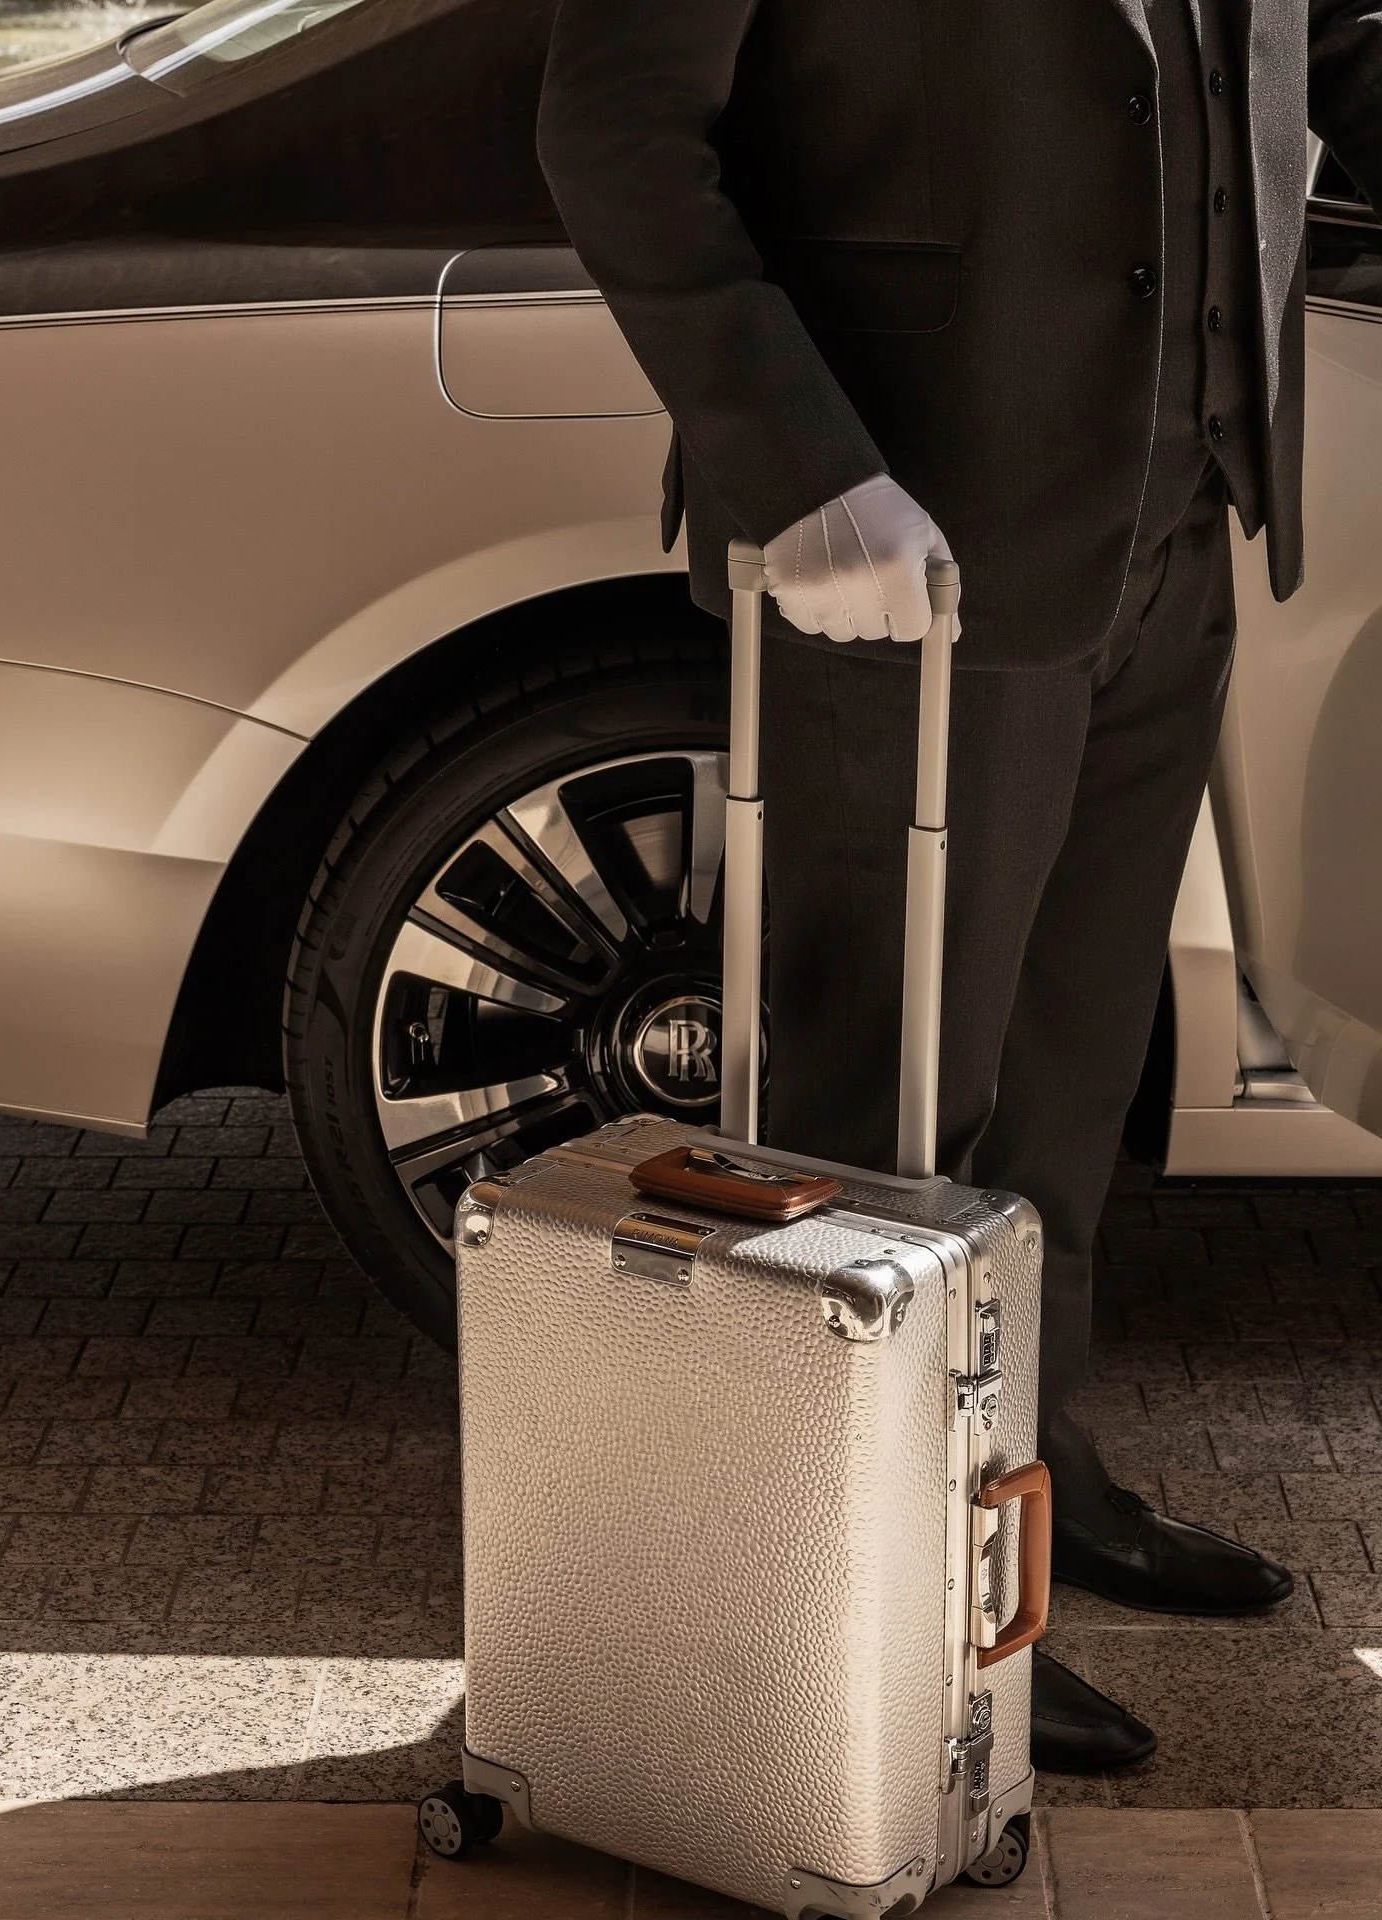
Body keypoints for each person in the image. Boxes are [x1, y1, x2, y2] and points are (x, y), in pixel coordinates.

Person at [535, 3, 1382, 1773]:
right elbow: (614, 129)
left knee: (1068, 1080)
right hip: (909, 530)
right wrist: (808, 471)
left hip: (1172, 513)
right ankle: (874, 1591)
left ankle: (1026, 1476)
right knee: (884, 1101)